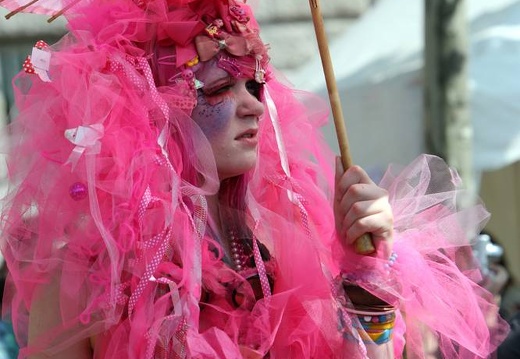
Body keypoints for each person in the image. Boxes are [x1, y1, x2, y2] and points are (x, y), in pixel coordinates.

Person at [0, 0, 508, 358]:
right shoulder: (90, 268)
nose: (253, 105)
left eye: (255, 83)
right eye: (220, 86)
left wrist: (365, 269)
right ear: (151, 108)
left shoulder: (282, 243)